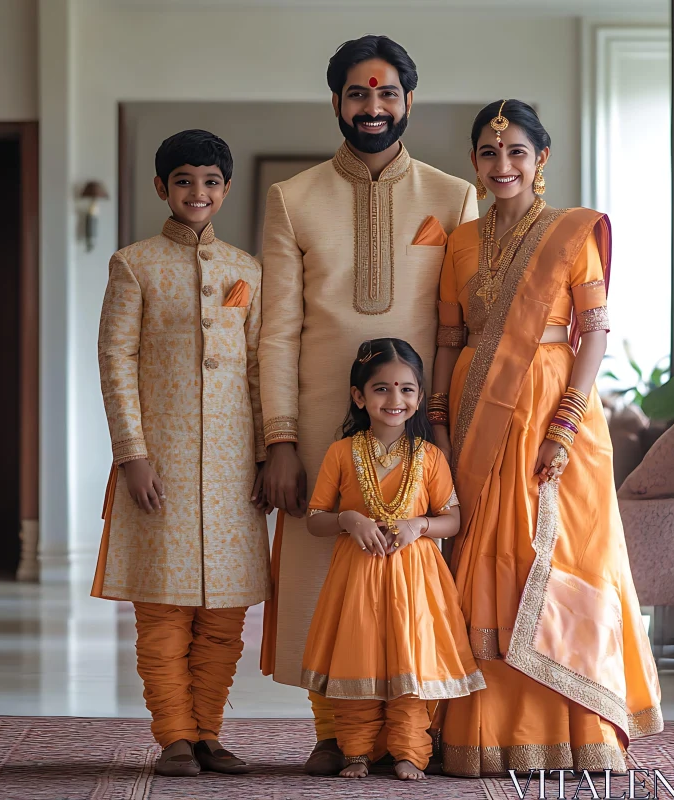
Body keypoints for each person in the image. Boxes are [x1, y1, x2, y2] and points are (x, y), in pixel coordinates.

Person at [256, 35, 478, 774]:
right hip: (323, 419)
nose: (373, 108)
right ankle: (334, 730)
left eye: (386, 94)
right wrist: (281, 440)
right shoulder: (292, 198)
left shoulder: (453, 197)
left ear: (408, 101)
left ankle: (406, 732)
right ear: (337, 104)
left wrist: (446, 426)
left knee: (408, 577)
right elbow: (277, 330)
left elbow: (465, 324)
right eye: (358, 94)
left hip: (418, 424)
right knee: (322, 575)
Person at [430, 101, 662, 776]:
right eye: (489, 153)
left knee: (562, 552)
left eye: (517, 153)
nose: (503, 166)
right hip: (478, 412)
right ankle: (485, 732)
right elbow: (449, 340)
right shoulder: (461, 242)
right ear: (474, 162)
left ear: (541, 160)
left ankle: (575, 728)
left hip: (560, 411)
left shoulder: (571, 232)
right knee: (483, 553)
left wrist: (564, 421)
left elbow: (595, 335)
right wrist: (439, 425)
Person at [92, 129, 271, 777]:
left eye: (212, 181)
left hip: (233, 470)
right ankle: (173, 736)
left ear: (226, 188)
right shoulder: (134, 263)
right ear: (162, 187)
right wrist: (131, 454)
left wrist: (266, 454)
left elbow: (257, 369)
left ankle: (210, 735)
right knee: (163, 609)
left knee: (226, 613)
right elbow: (115, 360)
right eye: (186, 180)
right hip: (158, 467)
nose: (200, 192)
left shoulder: (246, 270)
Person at [300, 338, 485, 781]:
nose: (395, 399)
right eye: (381, 389)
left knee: (412, 663)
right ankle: (357, 752)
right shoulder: (341, 453)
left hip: (416, 582)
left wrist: (418, 525)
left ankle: (410, 752)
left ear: (419, 397)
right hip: (356, 580)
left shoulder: (430, 457)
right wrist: (348, 519)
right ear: (358, 396)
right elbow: (314, 519)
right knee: (357, 659)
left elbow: (453, 520)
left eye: (406, 389)